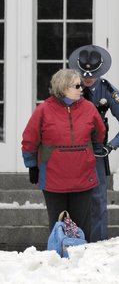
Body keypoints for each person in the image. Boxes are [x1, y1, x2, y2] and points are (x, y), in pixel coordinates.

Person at [22, 68, 107, 242]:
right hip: (53, 177)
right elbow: (30, 139)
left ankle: (80, 253)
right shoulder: (44, 110)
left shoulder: (89, 108)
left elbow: (99, 134)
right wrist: (31, 165)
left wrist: (93, 152)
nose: (81, 88)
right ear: (62, 87)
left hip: (83, 176)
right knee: (58, 224)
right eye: (76, 85)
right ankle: (59, 254)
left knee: (82, 226)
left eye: (80, 85)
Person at [68, 45, 119, 243]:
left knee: (98, 200)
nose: (88, 79)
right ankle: (74, 241)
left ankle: (97, 243)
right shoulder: (69, 89)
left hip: (96, 150)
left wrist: (111, 146)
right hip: (71, 150)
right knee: (72, 198)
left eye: (92, 75)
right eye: (84, 74)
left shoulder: (108, 91)